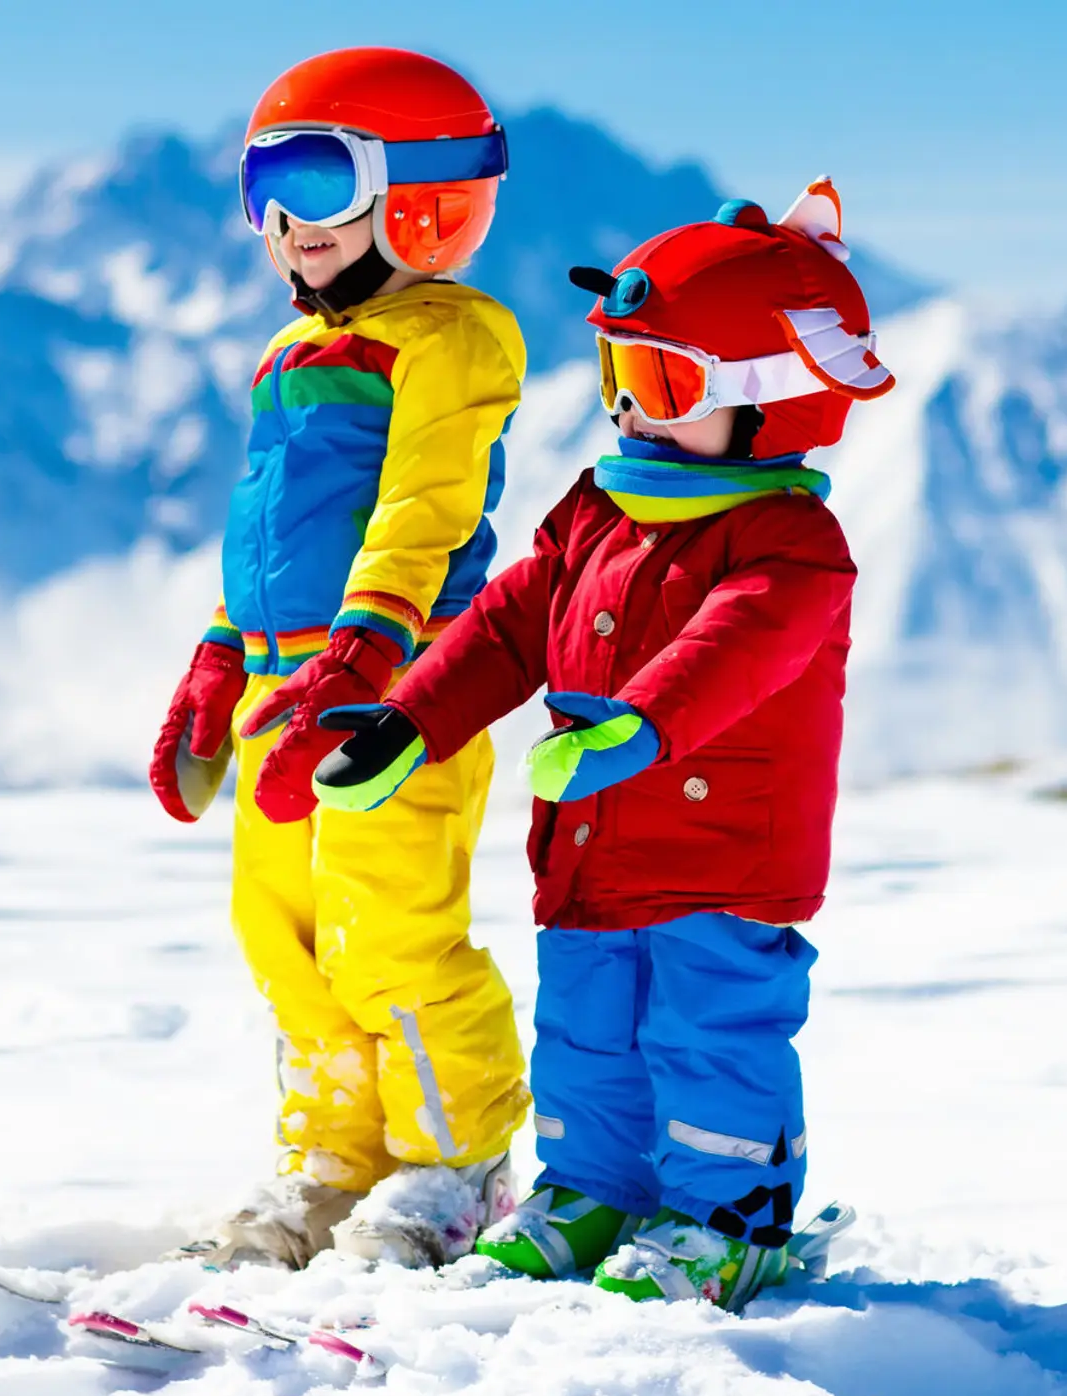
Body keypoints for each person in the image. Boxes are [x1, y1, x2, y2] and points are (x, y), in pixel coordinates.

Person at [305, 181, 896, 1308]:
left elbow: (736, 648)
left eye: (663, 383)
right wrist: (410, 718)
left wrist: (638, 726)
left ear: (778, 403)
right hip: (585, 851)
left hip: (721, 864)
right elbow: (508, 623)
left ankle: (725, 1217)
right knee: (585, 1029)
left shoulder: (792, 543)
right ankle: (591, 1188)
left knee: (705, 1034)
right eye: (619, 375)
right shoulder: (597, 509)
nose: (629, 411)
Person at [147, 46, 531, 1268]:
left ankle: (451, 1165)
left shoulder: (453, 336)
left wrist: (363, 659)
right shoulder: (289, 351)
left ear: (419, 192)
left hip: (395, 690)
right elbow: (269, 534)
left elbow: (425, 506)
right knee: (286, 932)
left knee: (391, 926)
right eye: (263, 185)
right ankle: (332, 1161)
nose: (285, 224)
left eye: (316, 180)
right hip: (283, 684)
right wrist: (220, 656)